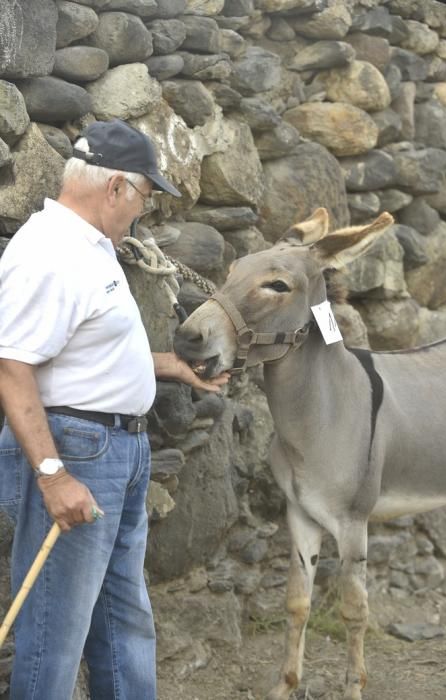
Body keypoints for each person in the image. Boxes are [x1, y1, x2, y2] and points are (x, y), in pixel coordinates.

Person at [0, 118, 229, 700]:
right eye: (146, 196)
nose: (142, 212)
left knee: (123, 619)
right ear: (116, 187)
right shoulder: (49, 253)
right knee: (55, 632)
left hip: (117, 451)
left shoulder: (91, 248)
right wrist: (53, 476)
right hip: (77, 452)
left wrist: (173, 368)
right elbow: (12, 367)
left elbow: (86, 354)